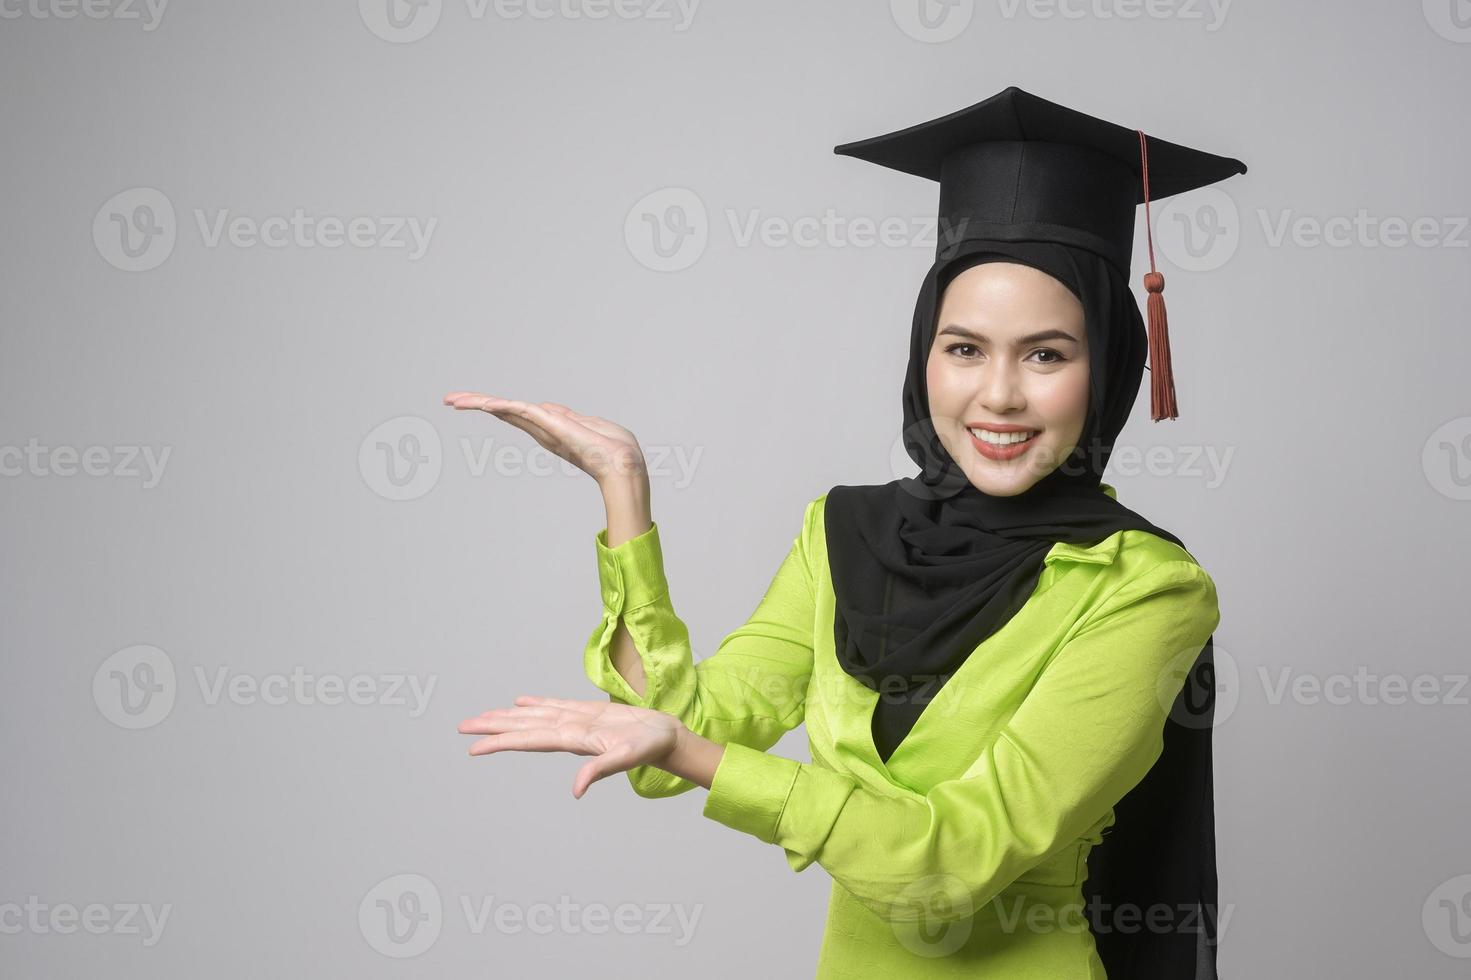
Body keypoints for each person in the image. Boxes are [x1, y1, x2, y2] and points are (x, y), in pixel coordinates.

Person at [447, 86, 1245, 978]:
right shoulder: (842, 532)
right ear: (922, 356)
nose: (999, 395)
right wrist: (623, 493)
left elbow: (951, 864)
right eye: (964, 348)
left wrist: (697, 754)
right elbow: (674, 737)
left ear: (1110, 369)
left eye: (1047, 353)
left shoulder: (1145, 588)